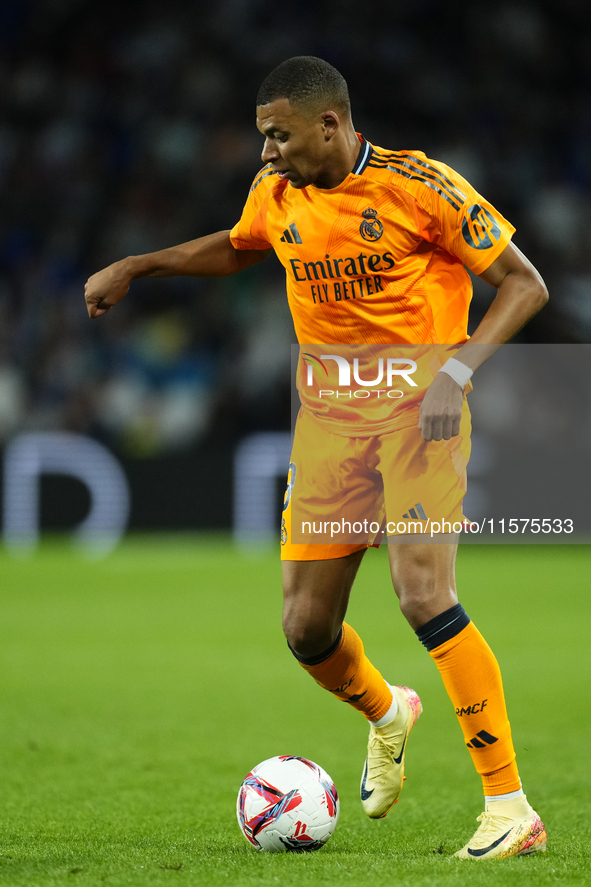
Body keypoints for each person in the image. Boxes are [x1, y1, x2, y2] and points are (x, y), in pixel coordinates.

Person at [84, 56, 549, 860]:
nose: (265, 151)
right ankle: (387, 711)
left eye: (277, 135)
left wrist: (458, 369)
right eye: (264, 136)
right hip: (330, 429)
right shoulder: (278, 193)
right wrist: (138, 265)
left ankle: (510, 805)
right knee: (305, 629)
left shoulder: (421, 185)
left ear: (328, 124)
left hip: (418, 416)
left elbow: (523, 282)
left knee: (421, 594)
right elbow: (239, 246)